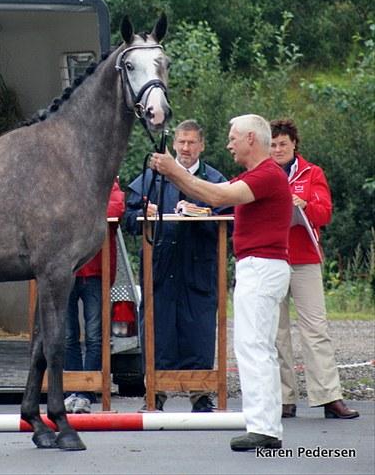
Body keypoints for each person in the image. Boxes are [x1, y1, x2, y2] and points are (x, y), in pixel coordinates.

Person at [150, 114, 291, 452]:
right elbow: (209, 193)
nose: (228, 144)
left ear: (251, 140)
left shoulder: (266, 175)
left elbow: (213, 196)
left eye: (233, 138)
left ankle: (264, 428)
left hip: (261, 266)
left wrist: (173, 170)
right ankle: (265, 425)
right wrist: (177, 174)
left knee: (253, 348)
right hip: (261, 266)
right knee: (258, 349)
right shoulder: (262, 175)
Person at [123, 120, 229, 413]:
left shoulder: (216, 179)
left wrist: (204, 213)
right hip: (160, 266)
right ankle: (154, 393)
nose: (185, 148)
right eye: (181, 142)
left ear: (202, 145)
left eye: (191, 142)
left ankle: (201, 394)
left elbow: (232, 220)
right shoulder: (152, 178)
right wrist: (145, 212)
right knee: (158, 329)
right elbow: (128, 218)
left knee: (200, 329)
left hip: (199, 268)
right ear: (173, 145)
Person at [270, 118, 359, 420]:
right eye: (273, 144)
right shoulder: (261, 173)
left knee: (315, 329)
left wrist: (304, 204)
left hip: (305, 258)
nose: (278, 149)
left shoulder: (312, 173)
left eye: (283, 143)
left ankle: (328, 396)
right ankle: (284, 398)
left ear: (294, 144)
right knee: (276, 331)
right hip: (272, 258)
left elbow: (325, 213)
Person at [64, 178, 125, 414]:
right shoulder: (62, 175)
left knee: (94, 336)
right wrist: (92, 209)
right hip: (65, 271)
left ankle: (87, 393)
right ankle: (72, 391)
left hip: (97, 271)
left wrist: (76, 210)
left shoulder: (107, 177)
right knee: (67, 336)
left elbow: (116, 208)